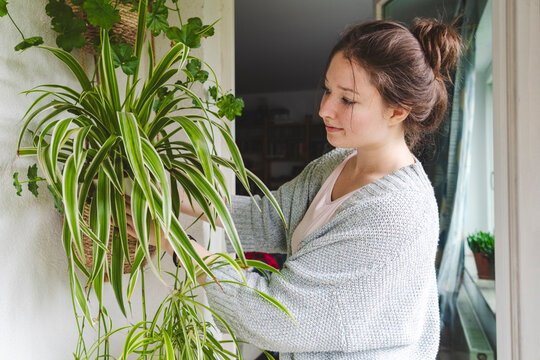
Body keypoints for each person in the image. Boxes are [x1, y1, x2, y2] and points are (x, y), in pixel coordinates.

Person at [127, 17, 462, 359]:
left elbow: (278, 319)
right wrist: (168, 194)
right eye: (328, 89)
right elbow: (269, 219)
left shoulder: (394, 213)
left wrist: (176, 242)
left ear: (397, 111)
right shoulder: (339, 162)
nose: (324, 109)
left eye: (347, 100)